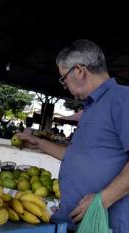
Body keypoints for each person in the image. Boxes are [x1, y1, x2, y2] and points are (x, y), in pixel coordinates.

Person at [15, 39, 129, 233]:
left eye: (63, 78)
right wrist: (39, 143)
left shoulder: (122, 98)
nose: (64, 85)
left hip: (105, 224)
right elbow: (78, 155)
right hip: (76, 221)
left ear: (79, 71)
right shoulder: (91, 107)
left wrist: (103, 199)